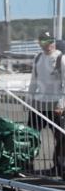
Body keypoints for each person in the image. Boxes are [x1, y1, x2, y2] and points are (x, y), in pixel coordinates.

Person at [27, 31, 65, 176]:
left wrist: (62, 104)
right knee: (30, 136)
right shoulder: (37, 58)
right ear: (39, 43)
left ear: (54, 41)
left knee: (61, 137)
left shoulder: (61, 58)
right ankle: (27, 163)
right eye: (44, 41)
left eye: (50, 40)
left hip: (56, 104)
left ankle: (58, 167)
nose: (48, 44)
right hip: (39, 103)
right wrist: (28, 100)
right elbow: (33, 80)